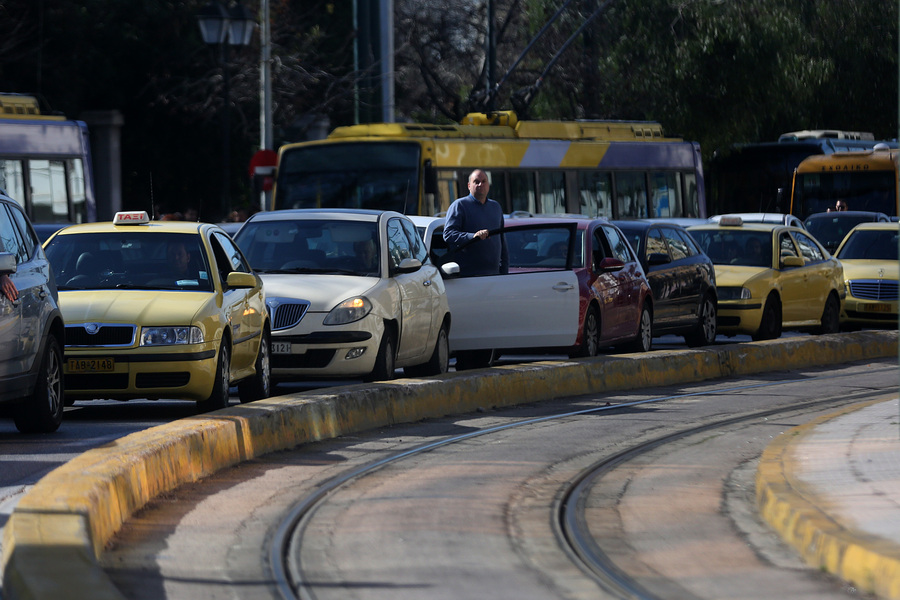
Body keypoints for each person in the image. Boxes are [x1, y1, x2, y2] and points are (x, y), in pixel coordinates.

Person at [442, 169, 509, 276]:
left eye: (484, 181)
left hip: (494, 276)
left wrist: (504, 272)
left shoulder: (496, 207)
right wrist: (473, 236)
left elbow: (502, 241)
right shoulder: (459, 206)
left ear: (488, 184)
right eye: (476, 182)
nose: (480, 184)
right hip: (468, 277)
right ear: (469, 185)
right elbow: (448, 234)